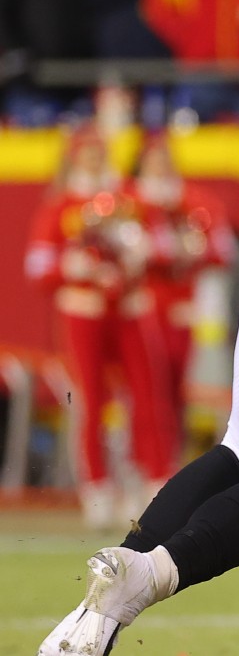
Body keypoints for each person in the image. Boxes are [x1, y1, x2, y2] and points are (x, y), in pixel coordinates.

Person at [25, 126, 172, 530]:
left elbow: (162, 244)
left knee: (147, 394)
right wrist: (71, 268)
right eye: (86, 154)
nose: (93, 160)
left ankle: (152, 482)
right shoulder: (60, 205)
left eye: (98, 153)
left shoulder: (126, 198)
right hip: (84, 309)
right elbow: (37, 265)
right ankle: (98, 489)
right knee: (91, 398)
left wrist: (137, 248)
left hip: (127, 306)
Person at [131, 132, 236, 451]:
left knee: (179, 391)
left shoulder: (195, 201)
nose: (161, 168)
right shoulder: (129, 201)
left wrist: (189, 251)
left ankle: (166, 464)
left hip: (187, 308)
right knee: (146, 391)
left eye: (165, 161)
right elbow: (132, 252)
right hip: (142, 307)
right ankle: (147, 463)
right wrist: (173, 250)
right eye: (154, 162)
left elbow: (222, 250)